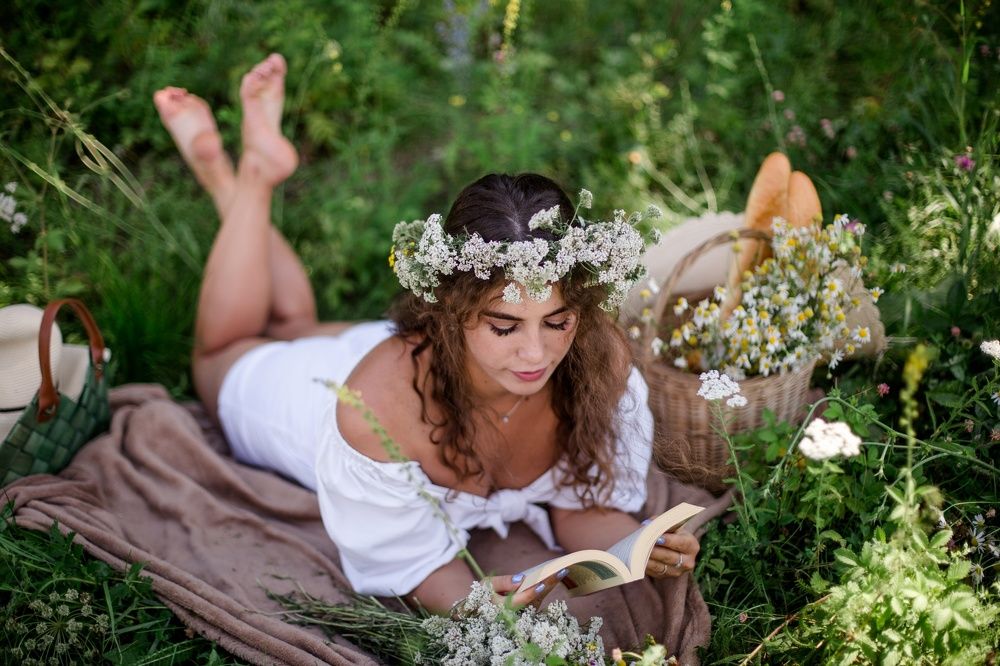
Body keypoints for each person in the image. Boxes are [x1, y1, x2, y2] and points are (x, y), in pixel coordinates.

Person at [153, 53, 700, 617]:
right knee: (224, 352)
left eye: (557, 321)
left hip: (411, 350)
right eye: (505, 325)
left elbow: (581, 505)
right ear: (450, 309)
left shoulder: (595, 362)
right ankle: (240, 177)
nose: (537, 354)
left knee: (294, 325)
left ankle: (248, 178)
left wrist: (639, 545)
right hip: (320, 397)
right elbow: (413, 569)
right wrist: (470, 606)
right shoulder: (376, 408)